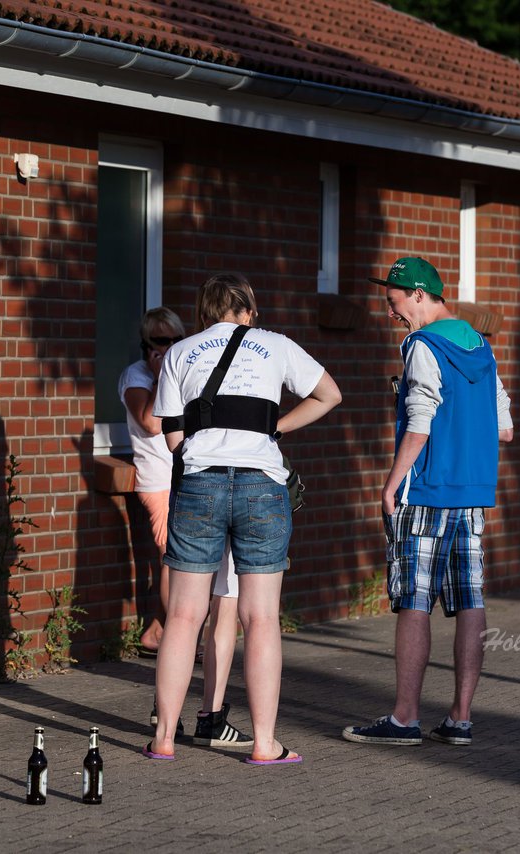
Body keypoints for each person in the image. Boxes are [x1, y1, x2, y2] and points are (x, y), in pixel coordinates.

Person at [144, 273, 341, 764]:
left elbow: (171, 435)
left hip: (200, 483)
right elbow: (329, 395)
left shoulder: (179, 353)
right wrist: (276, 426)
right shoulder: (276, 346)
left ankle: (165, 737)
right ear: (249, 311)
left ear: (204, 313)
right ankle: (264, 743)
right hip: (261, 484)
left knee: (185, 616)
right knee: (260, 619)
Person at [343, 256, 513, 748]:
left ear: (419, 294)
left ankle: (404, 719)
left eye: (395, 302)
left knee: (414, 601)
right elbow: (504, 428)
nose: (392, 313)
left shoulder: (421, 344)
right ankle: (460, 718)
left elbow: (420, 417)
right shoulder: (480, 346)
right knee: (470, 601)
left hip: (427, 491)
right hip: (475, 494)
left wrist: (392, 482)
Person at [119, 307, 252, 749]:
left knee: (214, 595)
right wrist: (164, 372)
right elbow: (153, 422)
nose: (165, 348)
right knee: (181, 587)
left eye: (172, 339)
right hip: (167, 484)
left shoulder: (191, 361)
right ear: (145, 346)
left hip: (201, 483)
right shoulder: (139, 376)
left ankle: (188, 695)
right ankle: (171, 699)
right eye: (156, 342)